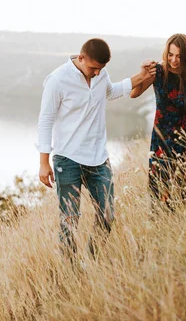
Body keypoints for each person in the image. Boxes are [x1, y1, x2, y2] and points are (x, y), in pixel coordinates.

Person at [36, 38, 155, 257]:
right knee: (69, 221)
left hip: (98, 159)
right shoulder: (57, 80)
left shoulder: (101, 75)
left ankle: (92, 260)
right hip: (67, 158)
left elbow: (111, 91)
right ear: (80, 58)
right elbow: (45, 121)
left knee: (107, 215)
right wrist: (44, 162)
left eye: (101, 69)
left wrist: (142, 76)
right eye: (93, 68)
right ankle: (71, 273)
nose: (97, 73)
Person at [130, 33, 186, 208]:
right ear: (166, 53)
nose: (174, 60)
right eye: (170, 55)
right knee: (160, 189)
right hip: (162, 139)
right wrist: (142, 73)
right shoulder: (158, 72)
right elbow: (134, 93)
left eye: (179, 56)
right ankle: (162, 225)